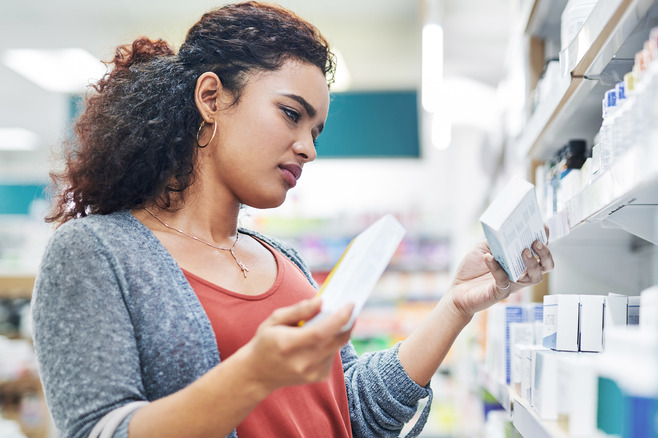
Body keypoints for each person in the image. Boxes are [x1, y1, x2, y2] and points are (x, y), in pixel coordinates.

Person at [31, 2, 554, 437]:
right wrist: (252, 375)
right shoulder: (94, 252)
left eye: (317, 131)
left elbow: (351, 409)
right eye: (290, 113)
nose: (307, 148)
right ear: (211, 98)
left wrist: (455, 307)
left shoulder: (285, 262)